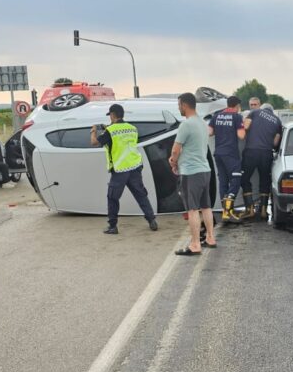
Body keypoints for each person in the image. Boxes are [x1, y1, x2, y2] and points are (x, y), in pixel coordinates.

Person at [91, 104, 159, 235]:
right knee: (141, 195)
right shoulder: (132, 128)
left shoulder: (110, 130)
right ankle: (152, 220)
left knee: (112, 197)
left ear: (112, 115)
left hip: (120, 169)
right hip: (135, 166)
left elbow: (94, 142)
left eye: (110, 115)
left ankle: (112, 226)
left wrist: (93, 131)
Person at [170, 93, 216, 255]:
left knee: (192, 209)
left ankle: (195, 244)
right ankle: (210, 238)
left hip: (191, 172)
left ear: (184, 105)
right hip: (205, 170)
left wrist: (173, 162)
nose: (178, 108)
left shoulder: (186, 125)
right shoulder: (203, 123)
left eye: (179, 105)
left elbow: (176, 150)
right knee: (206, 206)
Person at [240, 102, 283, 221]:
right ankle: (264, 210)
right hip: (266, 153)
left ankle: (250, 209)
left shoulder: (254, 112)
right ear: (272, 111)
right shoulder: (277, 121)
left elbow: (246, 127)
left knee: (244, 179)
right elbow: (275, 142)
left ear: (262, 108)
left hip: (251, 151)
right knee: (265, 180)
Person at [208, 96, 246, 221]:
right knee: (236, 180)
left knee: (223, 182)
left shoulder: (216, 116)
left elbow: (210, 132)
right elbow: (241, 135)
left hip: (218, 153)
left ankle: (225, 212)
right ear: (237, 106)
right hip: (231, 154)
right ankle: (228, 211)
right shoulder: (237, 116)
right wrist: (243, 126)